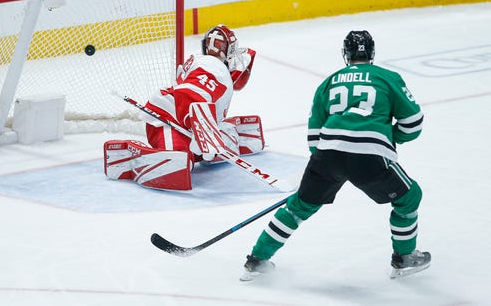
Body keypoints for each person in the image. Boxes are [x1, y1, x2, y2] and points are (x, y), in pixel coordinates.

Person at [241, 30, 430, 281]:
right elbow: (413, 123)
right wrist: (387, 136)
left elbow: (314, 136)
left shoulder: (329, 82)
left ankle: (257, 260)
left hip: (328, 154)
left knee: (298, 207)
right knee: (409, 197)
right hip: (370, 156)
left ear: (346, 54)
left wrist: (324, 167)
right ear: (372, 53)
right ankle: (404, 257)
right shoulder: (388, 78)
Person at [104, 24, 264, 190]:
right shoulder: (214, 67)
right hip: (168, 122)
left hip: (190, 128)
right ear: (228, 52)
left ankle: (210, 143)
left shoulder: (206, 64)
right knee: (179, 165)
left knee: (207, 155)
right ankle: (134, 159)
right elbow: (190, 94)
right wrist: (201, 131)